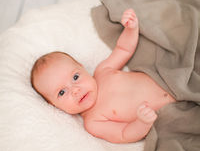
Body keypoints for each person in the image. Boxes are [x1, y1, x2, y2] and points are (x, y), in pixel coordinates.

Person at [31, 9, 176, 143]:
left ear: (82, 68)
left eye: (75, 77)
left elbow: (124, 49)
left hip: (169, 78)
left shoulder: (103, 71)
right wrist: (142, 123)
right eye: (62, 92)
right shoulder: (93, 122)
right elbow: (124, 134)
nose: (75, 90)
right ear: (55, 106)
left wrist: (131, 29)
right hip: (172, 111)